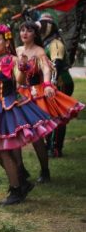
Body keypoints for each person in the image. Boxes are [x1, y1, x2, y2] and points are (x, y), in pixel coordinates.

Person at [0, 24, 57, 206]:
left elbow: (19, 81)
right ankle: (20, 180)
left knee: (3, 149)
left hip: (8, 106)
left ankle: (17, 188)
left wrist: (23, 68)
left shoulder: (13, 60)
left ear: (7, 42)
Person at [15, 20, 83, 182]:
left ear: (35, 34)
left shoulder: (39, 51)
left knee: (37, 137)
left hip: (36, 93)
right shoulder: (17, 50)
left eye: (29, 30)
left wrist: (47, 84)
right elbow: (16, 76)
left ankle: (45, 171)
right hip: (19, 94)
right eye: (22, 30)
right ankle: (20, 171)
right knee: (15, 133)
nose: (24, 33)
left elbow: (46, 69)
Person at [40, 14, 81, 158]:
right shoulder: (46, 43)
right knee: (49, 114)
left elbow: (56, 64)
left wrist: (51, 83)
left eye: (44, 24)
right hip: (53, 81)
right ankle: (50, 145)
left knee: (57, 115)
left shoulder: (55, 43)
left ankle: (56, 147)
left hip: (60, 81)